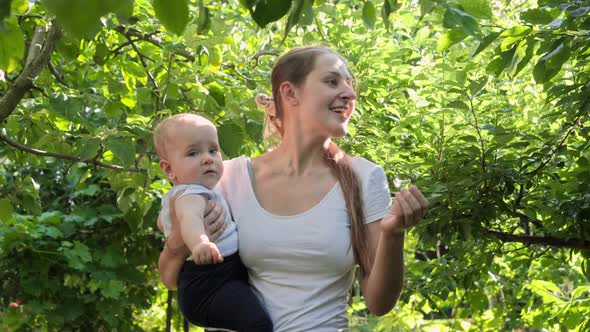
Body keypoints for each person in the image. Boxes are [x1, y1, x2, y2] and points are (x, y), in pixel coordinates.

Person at [159, 46, 429, 331]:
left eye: (350, 84)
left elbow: (378, 303)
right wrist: (178, 244)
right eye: (332, 81)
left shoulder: (365, 177)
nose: (349, 94)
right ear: (290, 93)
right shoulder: (230, 177)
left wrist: (394, 233)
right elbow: (172, 279)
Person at [154, 114, 272, 331]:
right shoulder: (191, 194)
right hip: (209, 283)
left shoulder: (193, 192)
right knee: (257, 324)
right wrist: (200, 242)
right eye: (193, 153)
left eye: (213, 150)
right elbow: (190, 219)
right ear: (169, 169)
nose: (207, 158)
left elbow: (163, 223)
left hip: (217, 279)